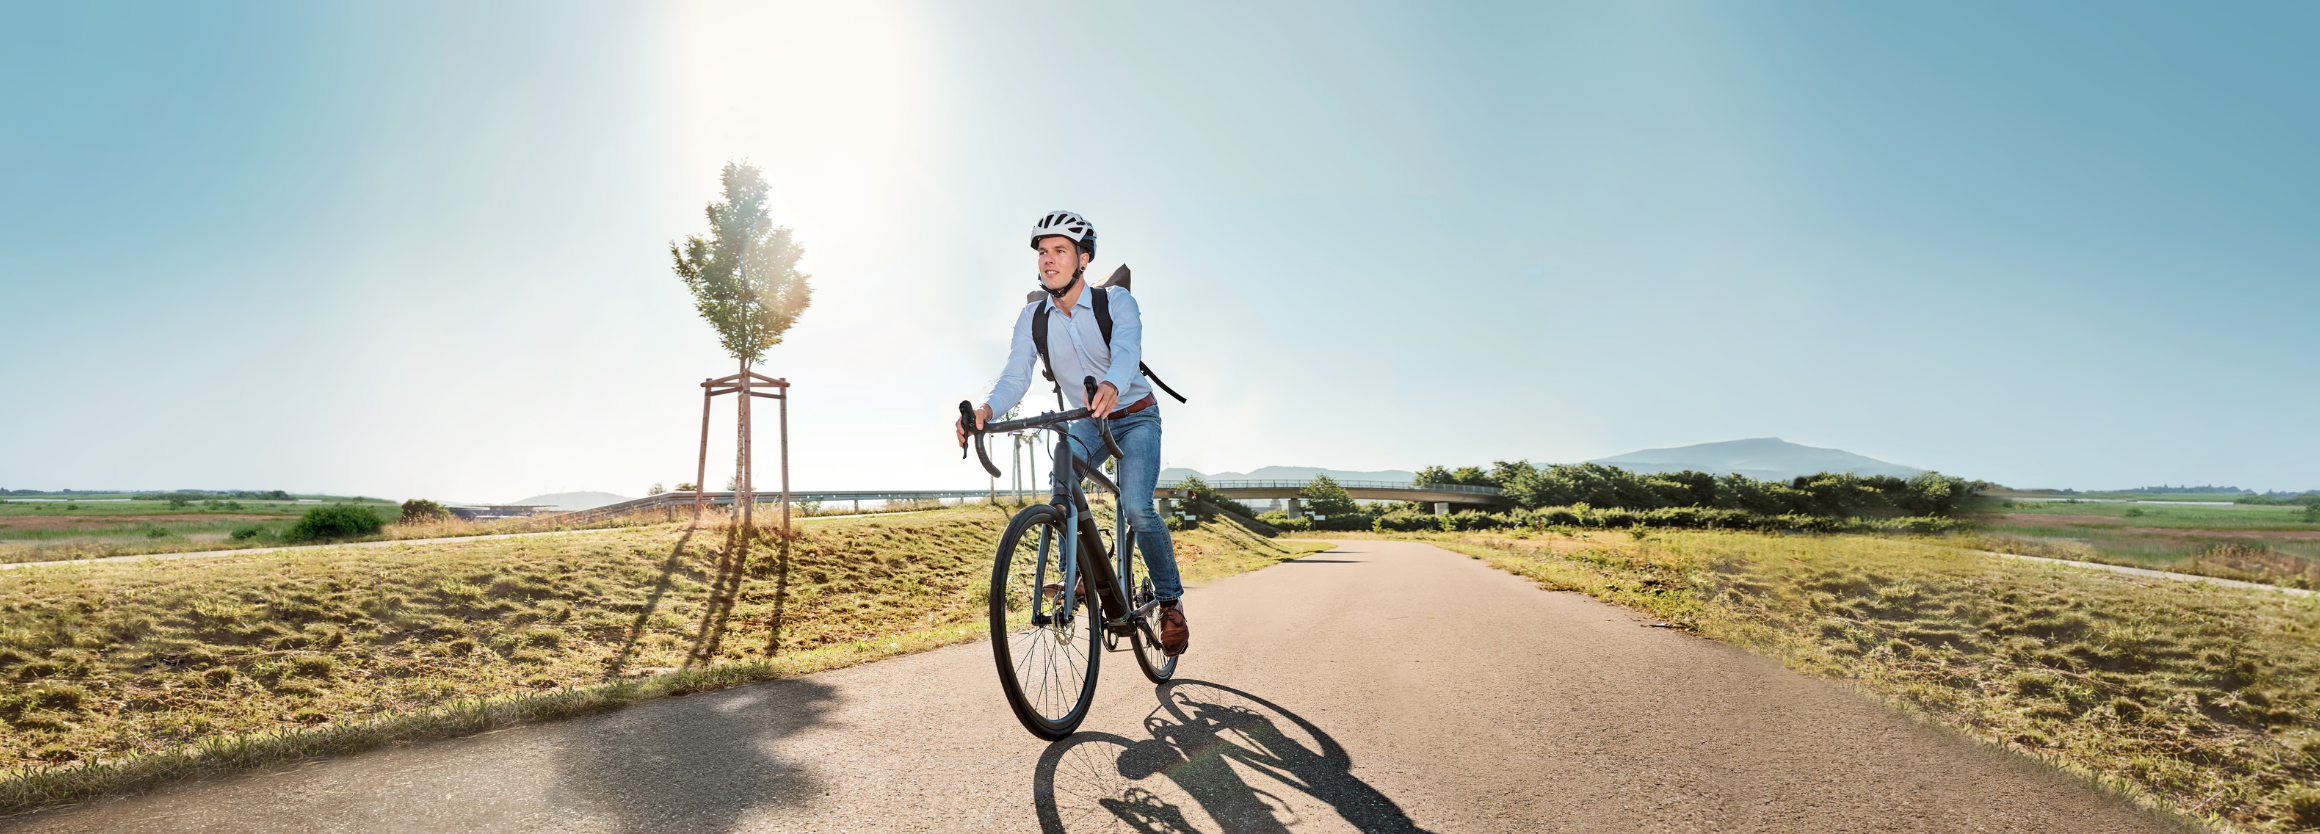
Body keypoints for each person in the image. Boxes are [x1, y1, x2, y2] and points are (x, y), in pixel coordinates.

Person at [956, 210, 1189, 656]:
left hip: (1135, 415)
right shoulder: (1033, 317)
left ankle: (1169, 601)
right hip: (1086, 419)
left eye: (1060, 250)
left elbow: (1127, 350)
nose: (1048, 259)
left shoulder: (1115, 301)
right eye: (1043, 252)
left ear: (1083, 259)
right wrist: (986, 409)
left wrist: (1112, 383)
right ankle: (1078, 571)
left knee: (1136, 507)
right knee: (1061, 484)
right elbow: (1015, 374)